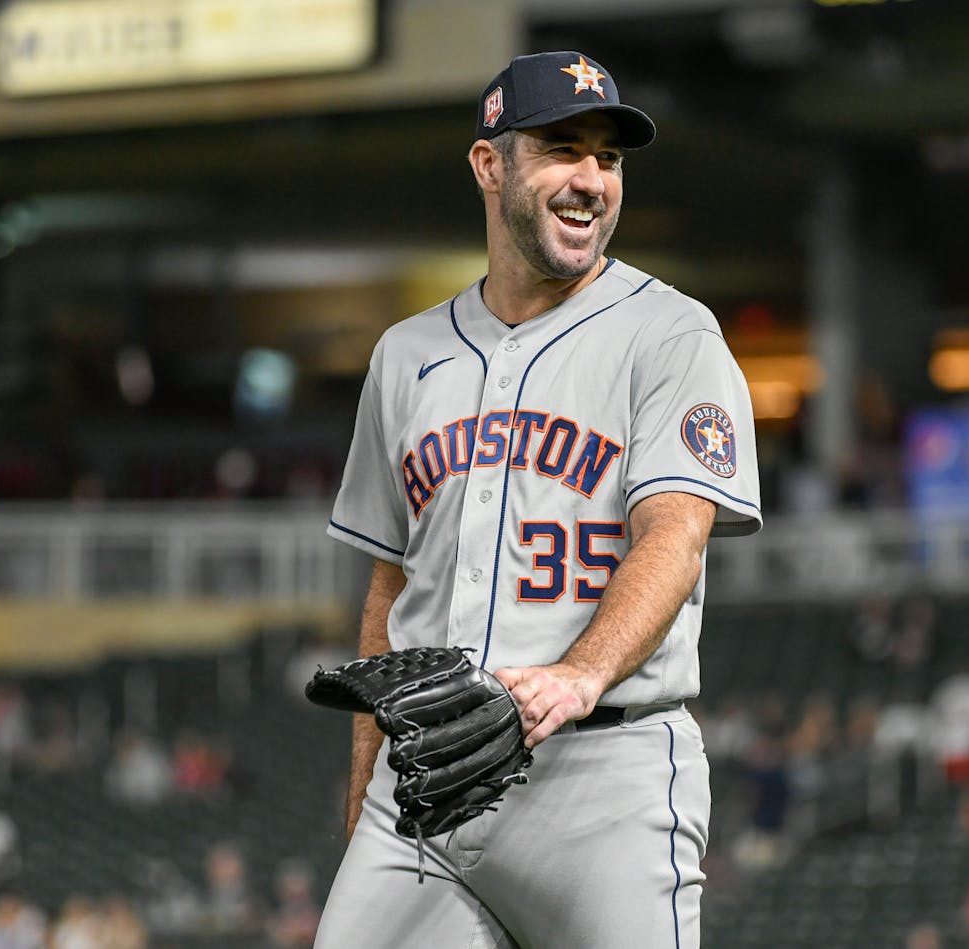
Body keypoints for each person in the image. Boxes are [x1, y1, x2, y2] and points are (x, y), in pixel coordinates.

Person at [314, 50, 761, 949]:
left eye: (610, 157)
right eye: (564, 148)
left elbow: (674, 536)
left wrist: (580, 672)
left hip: (605, 775)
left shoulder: (671, 333)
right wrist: (366, 780)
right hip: (427, 779)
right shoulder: (406, 354)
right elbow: (388, 587)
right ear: (491, 165)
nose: (592, 179)